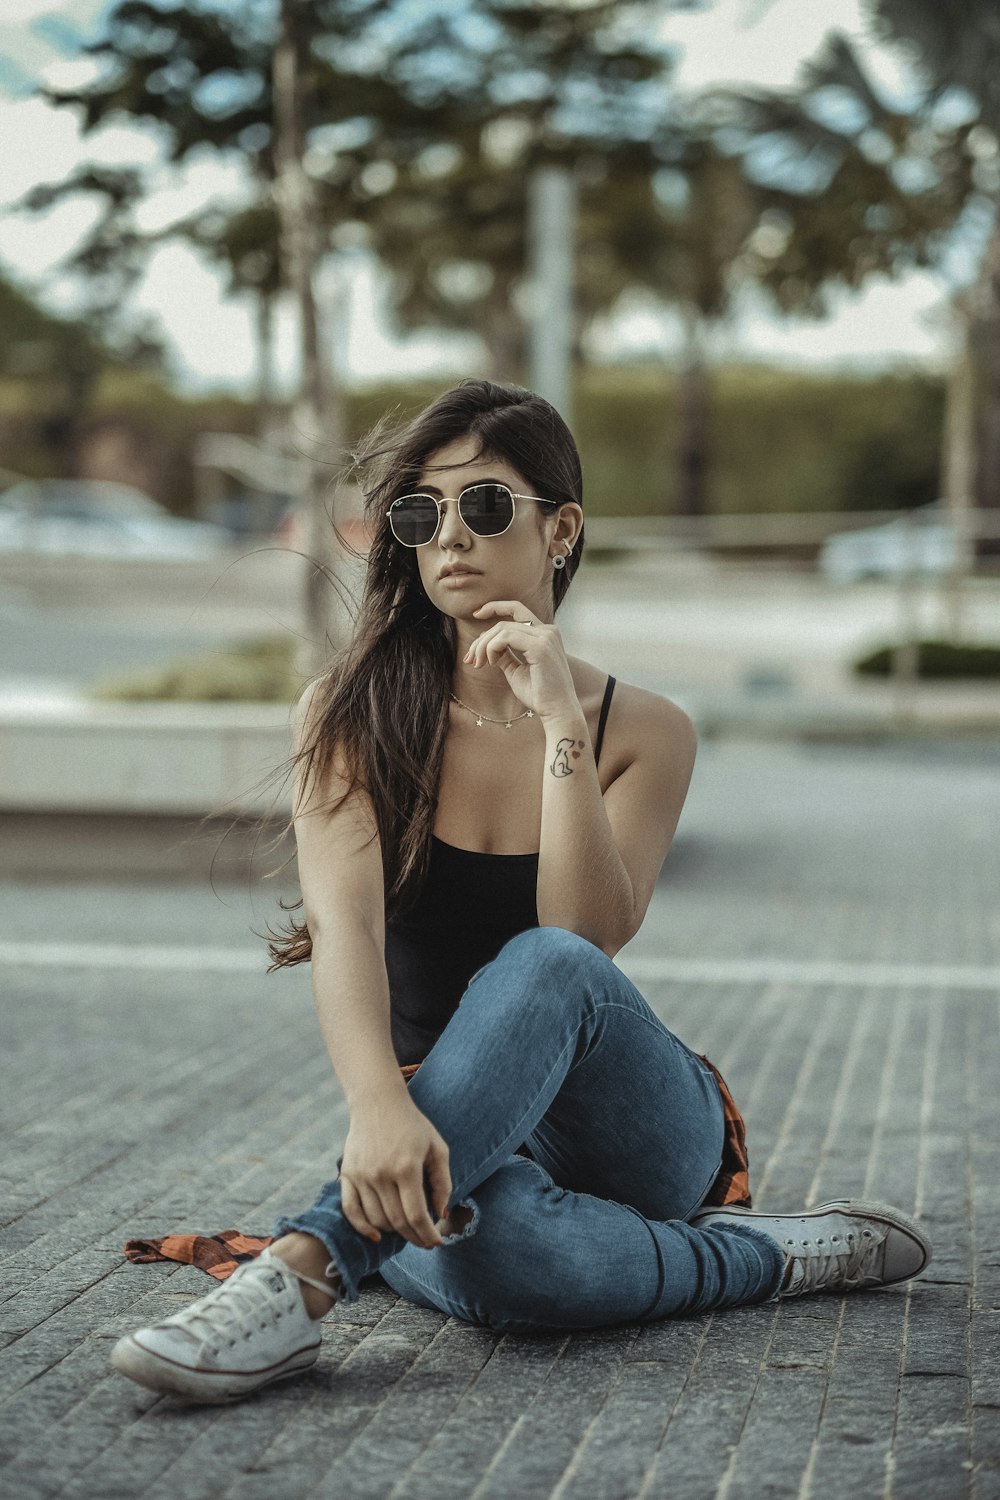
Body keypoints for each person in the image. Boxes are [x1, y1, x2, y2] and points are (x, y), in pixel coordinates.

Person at [111, 380, 931, 1404]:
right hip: (429, 1137)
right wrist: (375, 1107)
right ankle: (769, 1258)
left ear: (561, 528)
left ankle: (305, 1272)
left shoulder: (647, 730)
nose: (450, 534)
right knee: (500, 1258)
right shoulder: (349, 713)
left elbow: (582, 935)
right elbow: (347, 928)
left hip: (631, 1128)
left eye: (486, 505)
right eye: (422, 513)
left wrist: (558, 724)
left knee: (545, 963)